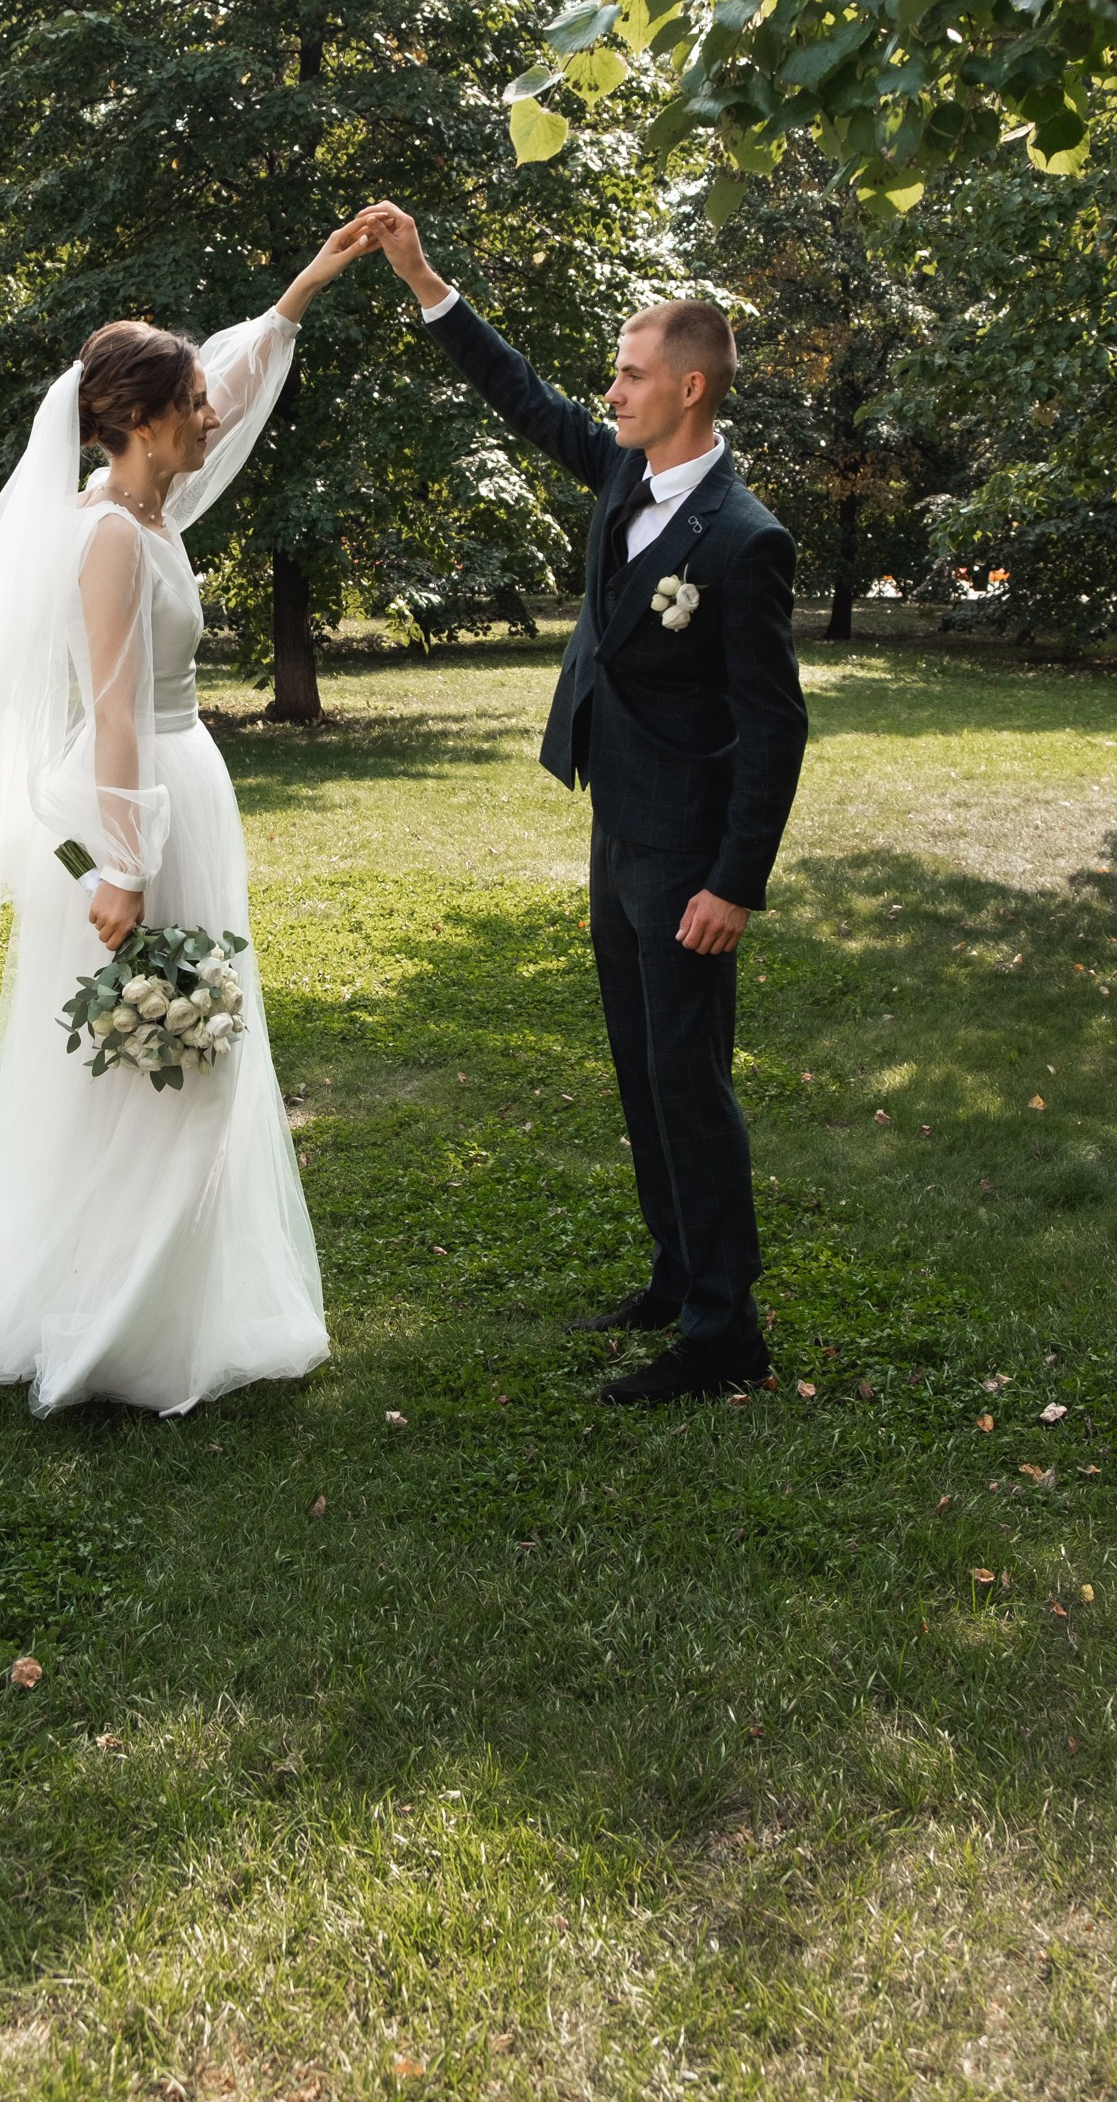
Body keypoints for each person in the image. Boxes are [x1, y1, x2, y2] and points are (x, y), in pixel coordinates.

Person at [0, 224, 373, 1418]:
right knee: (149, 1065)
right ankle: (109, 1321)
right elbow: (111, 715)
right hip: (134, 809)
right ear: (142, 417)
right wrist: (122, 865)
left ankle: (169, 1301)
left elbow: (240, 377)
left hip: (181, 795)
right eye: (191, 403)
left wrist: (304, 287)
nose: (209, 414)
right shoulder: (107, 534)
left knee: (190, 1054)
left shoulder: (153, 505)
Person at [353, 200, 808, 1405]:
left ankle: (725, 1334)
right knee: (638, 1065)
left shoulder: (741, 541)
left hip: (685, 855)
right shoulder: (624, 469)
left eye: (628, 373)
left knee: (687, 1078)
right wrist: (421, 278)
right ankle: (675, 1274)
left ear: (690, 390)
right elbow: (522, 401)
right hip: (619, 824)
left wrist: (730, 882)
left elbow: (774, 728)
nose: (607, 392)